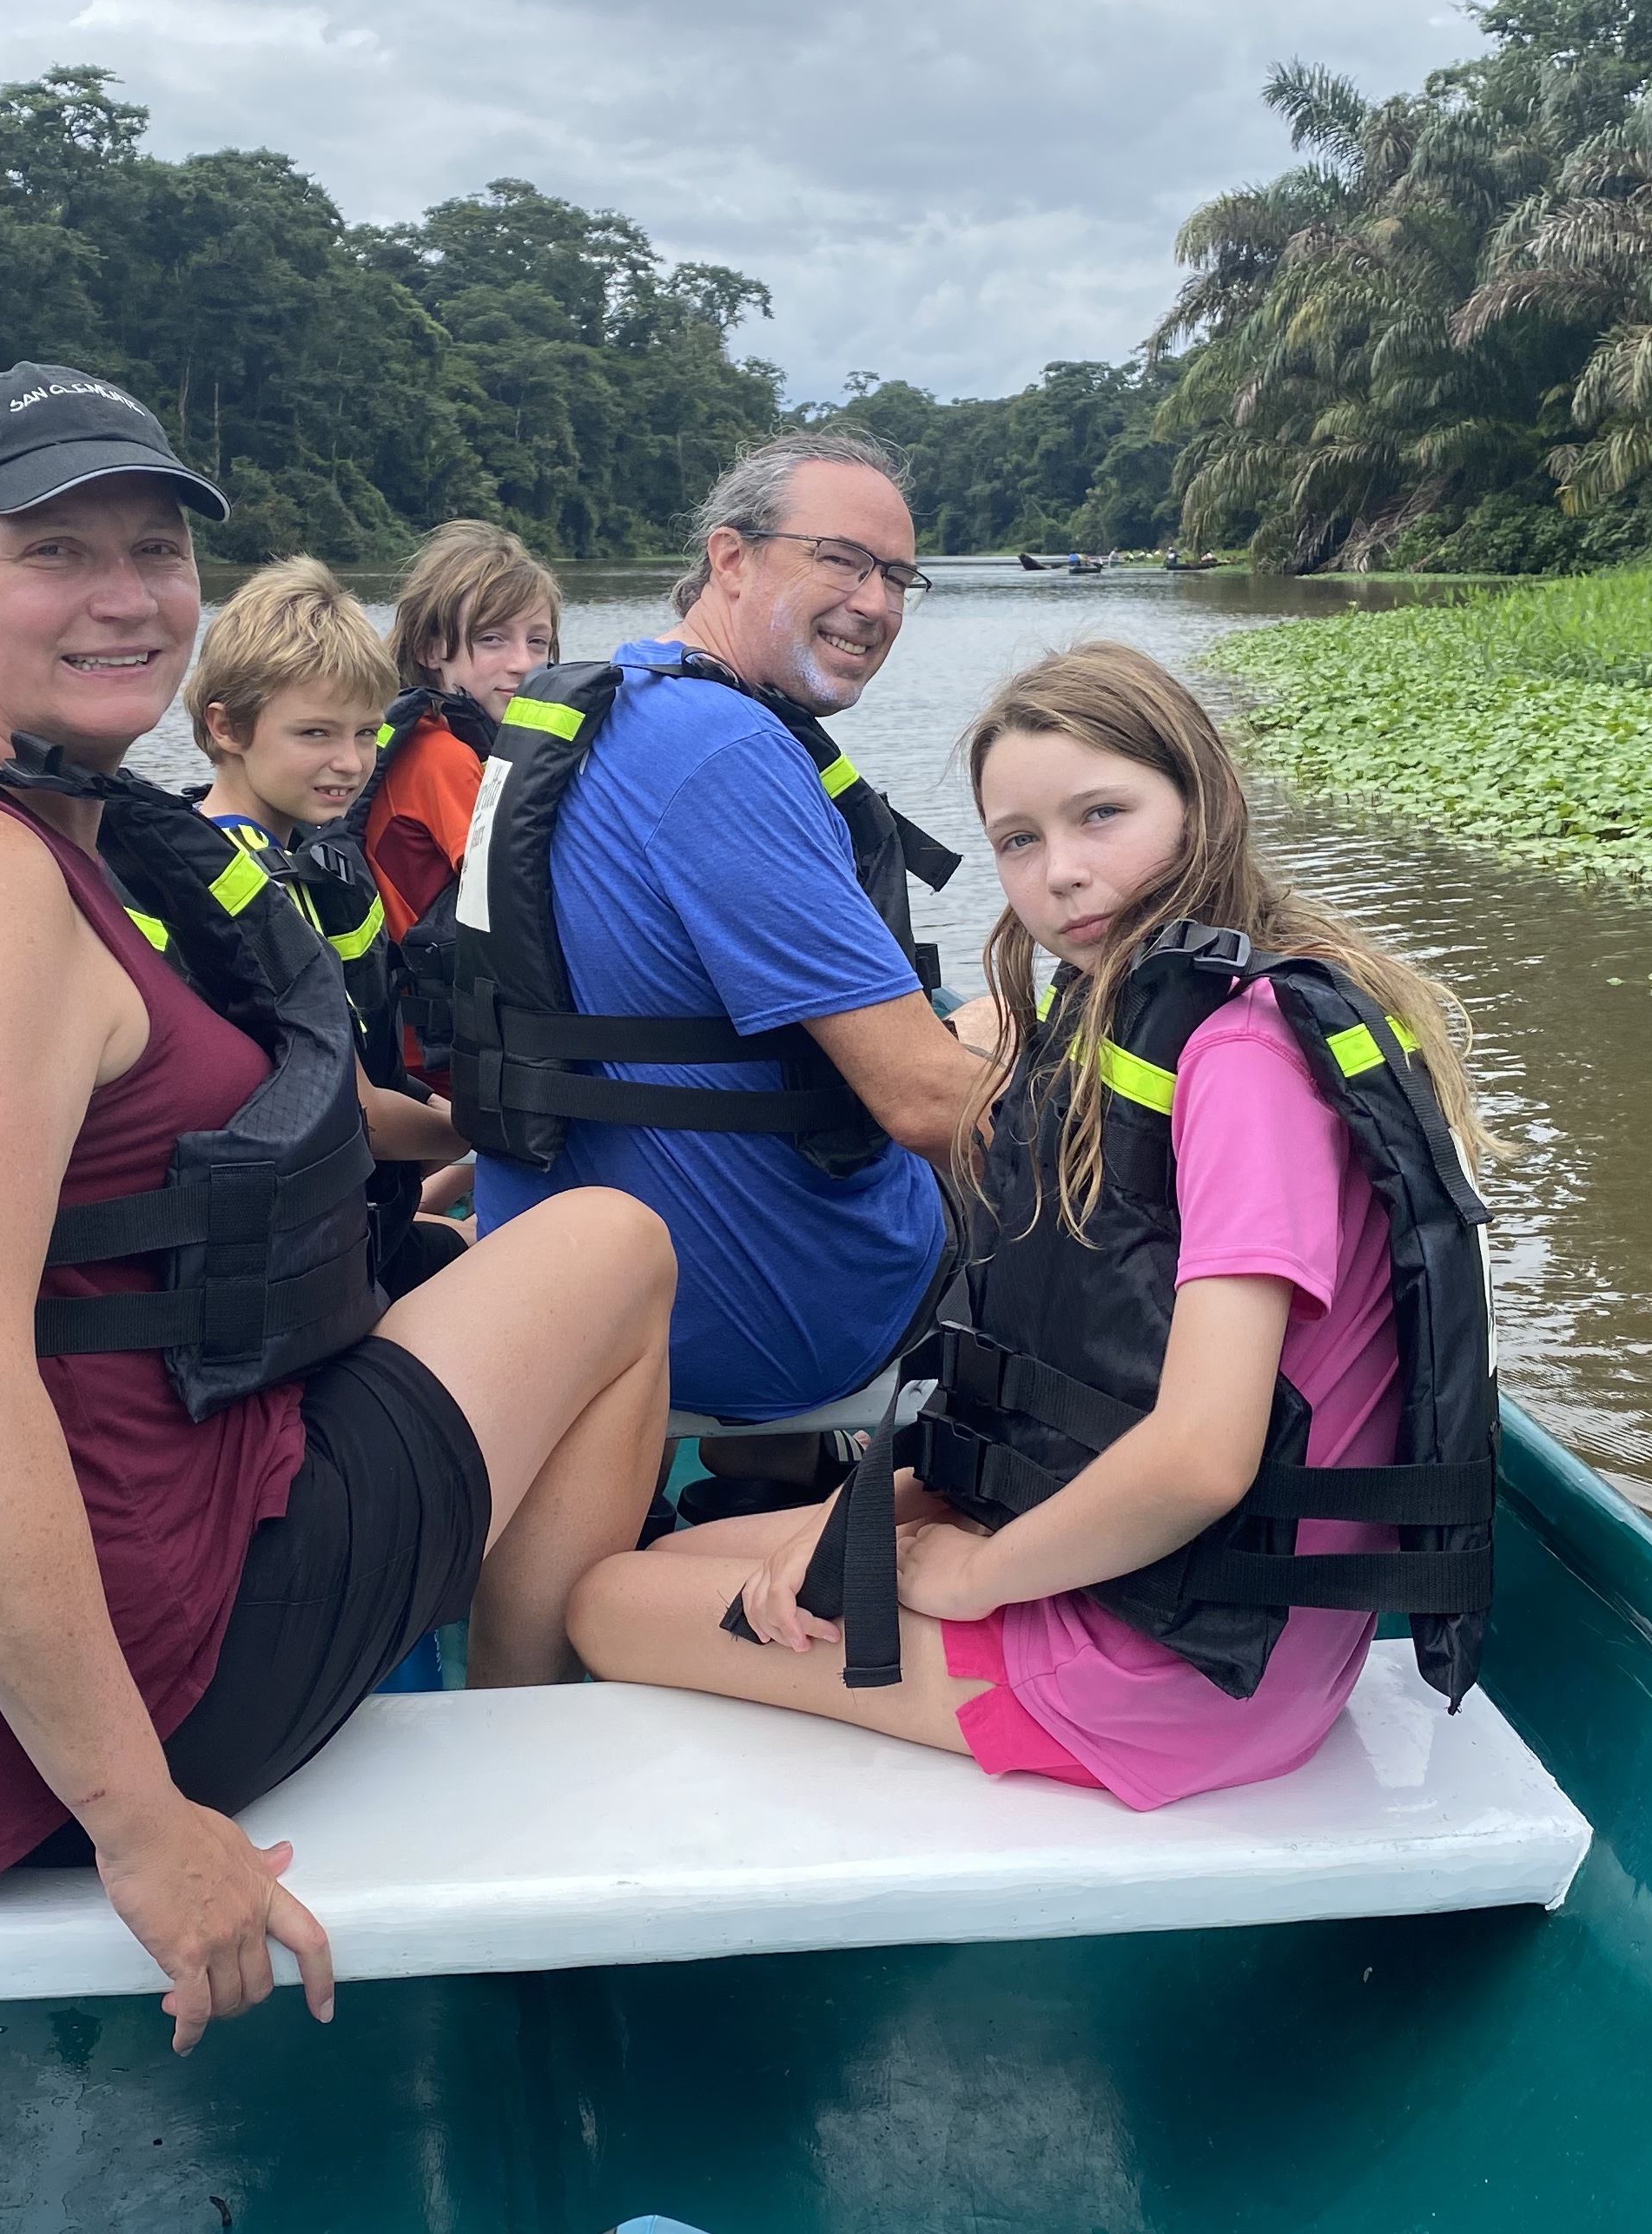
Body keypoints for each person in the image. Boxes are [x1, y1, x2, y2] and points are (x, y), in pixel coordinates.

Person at [0, 362, 672, 2053]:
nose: (126, 598)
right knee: (611, 1247)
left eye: (155, 552)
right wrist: (140, 1825)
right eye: (56, 552)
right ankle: (524, 1751)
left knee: (446, 1262)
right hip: (66, 1721)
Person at [565, 641, 1498, 1809]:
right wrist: (887, 1516)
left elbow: (1204, 1457)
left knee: (605, 1601)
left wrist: (976, 1576)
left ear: (1202, 798)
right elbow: (1084, 1389)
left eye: (1102, 814)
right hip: (1171, 1610)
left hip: (1174, 1675)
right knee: (679, 1559)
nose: (1062, 874)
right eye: (1018, 840)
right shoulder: (1166, 1017)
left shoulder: (1243, 1060)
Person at [455, 431, 988, 1432]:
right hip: (753, 1324)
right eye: (841, 560)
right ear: (731, 557)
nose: (876, 603)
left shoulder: (611, 698)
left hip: (548, 1281)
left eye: (897, 577)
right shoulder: (726, 750)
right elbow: (924, 1103)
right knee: (1008, 1068)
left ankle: (749, 1492)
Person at [184, 555, 472, 1276]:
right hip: (286, 1268)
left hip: (342, 1222)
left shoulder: (286, 861)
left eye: (367, 733)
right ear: (227, 727)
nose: (350, 761)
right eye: (315, 734)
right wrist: (490, 1131)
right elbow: (358, 1118)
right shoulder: (237, 889)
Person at [361, 518, 560, 952]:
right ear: (430, 650)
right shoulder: (441, 757)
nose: (523, 663)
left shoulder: (424, 733)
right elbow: (515, 894)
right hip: (437, 993)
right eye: (491, 638)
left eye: (537, 642)